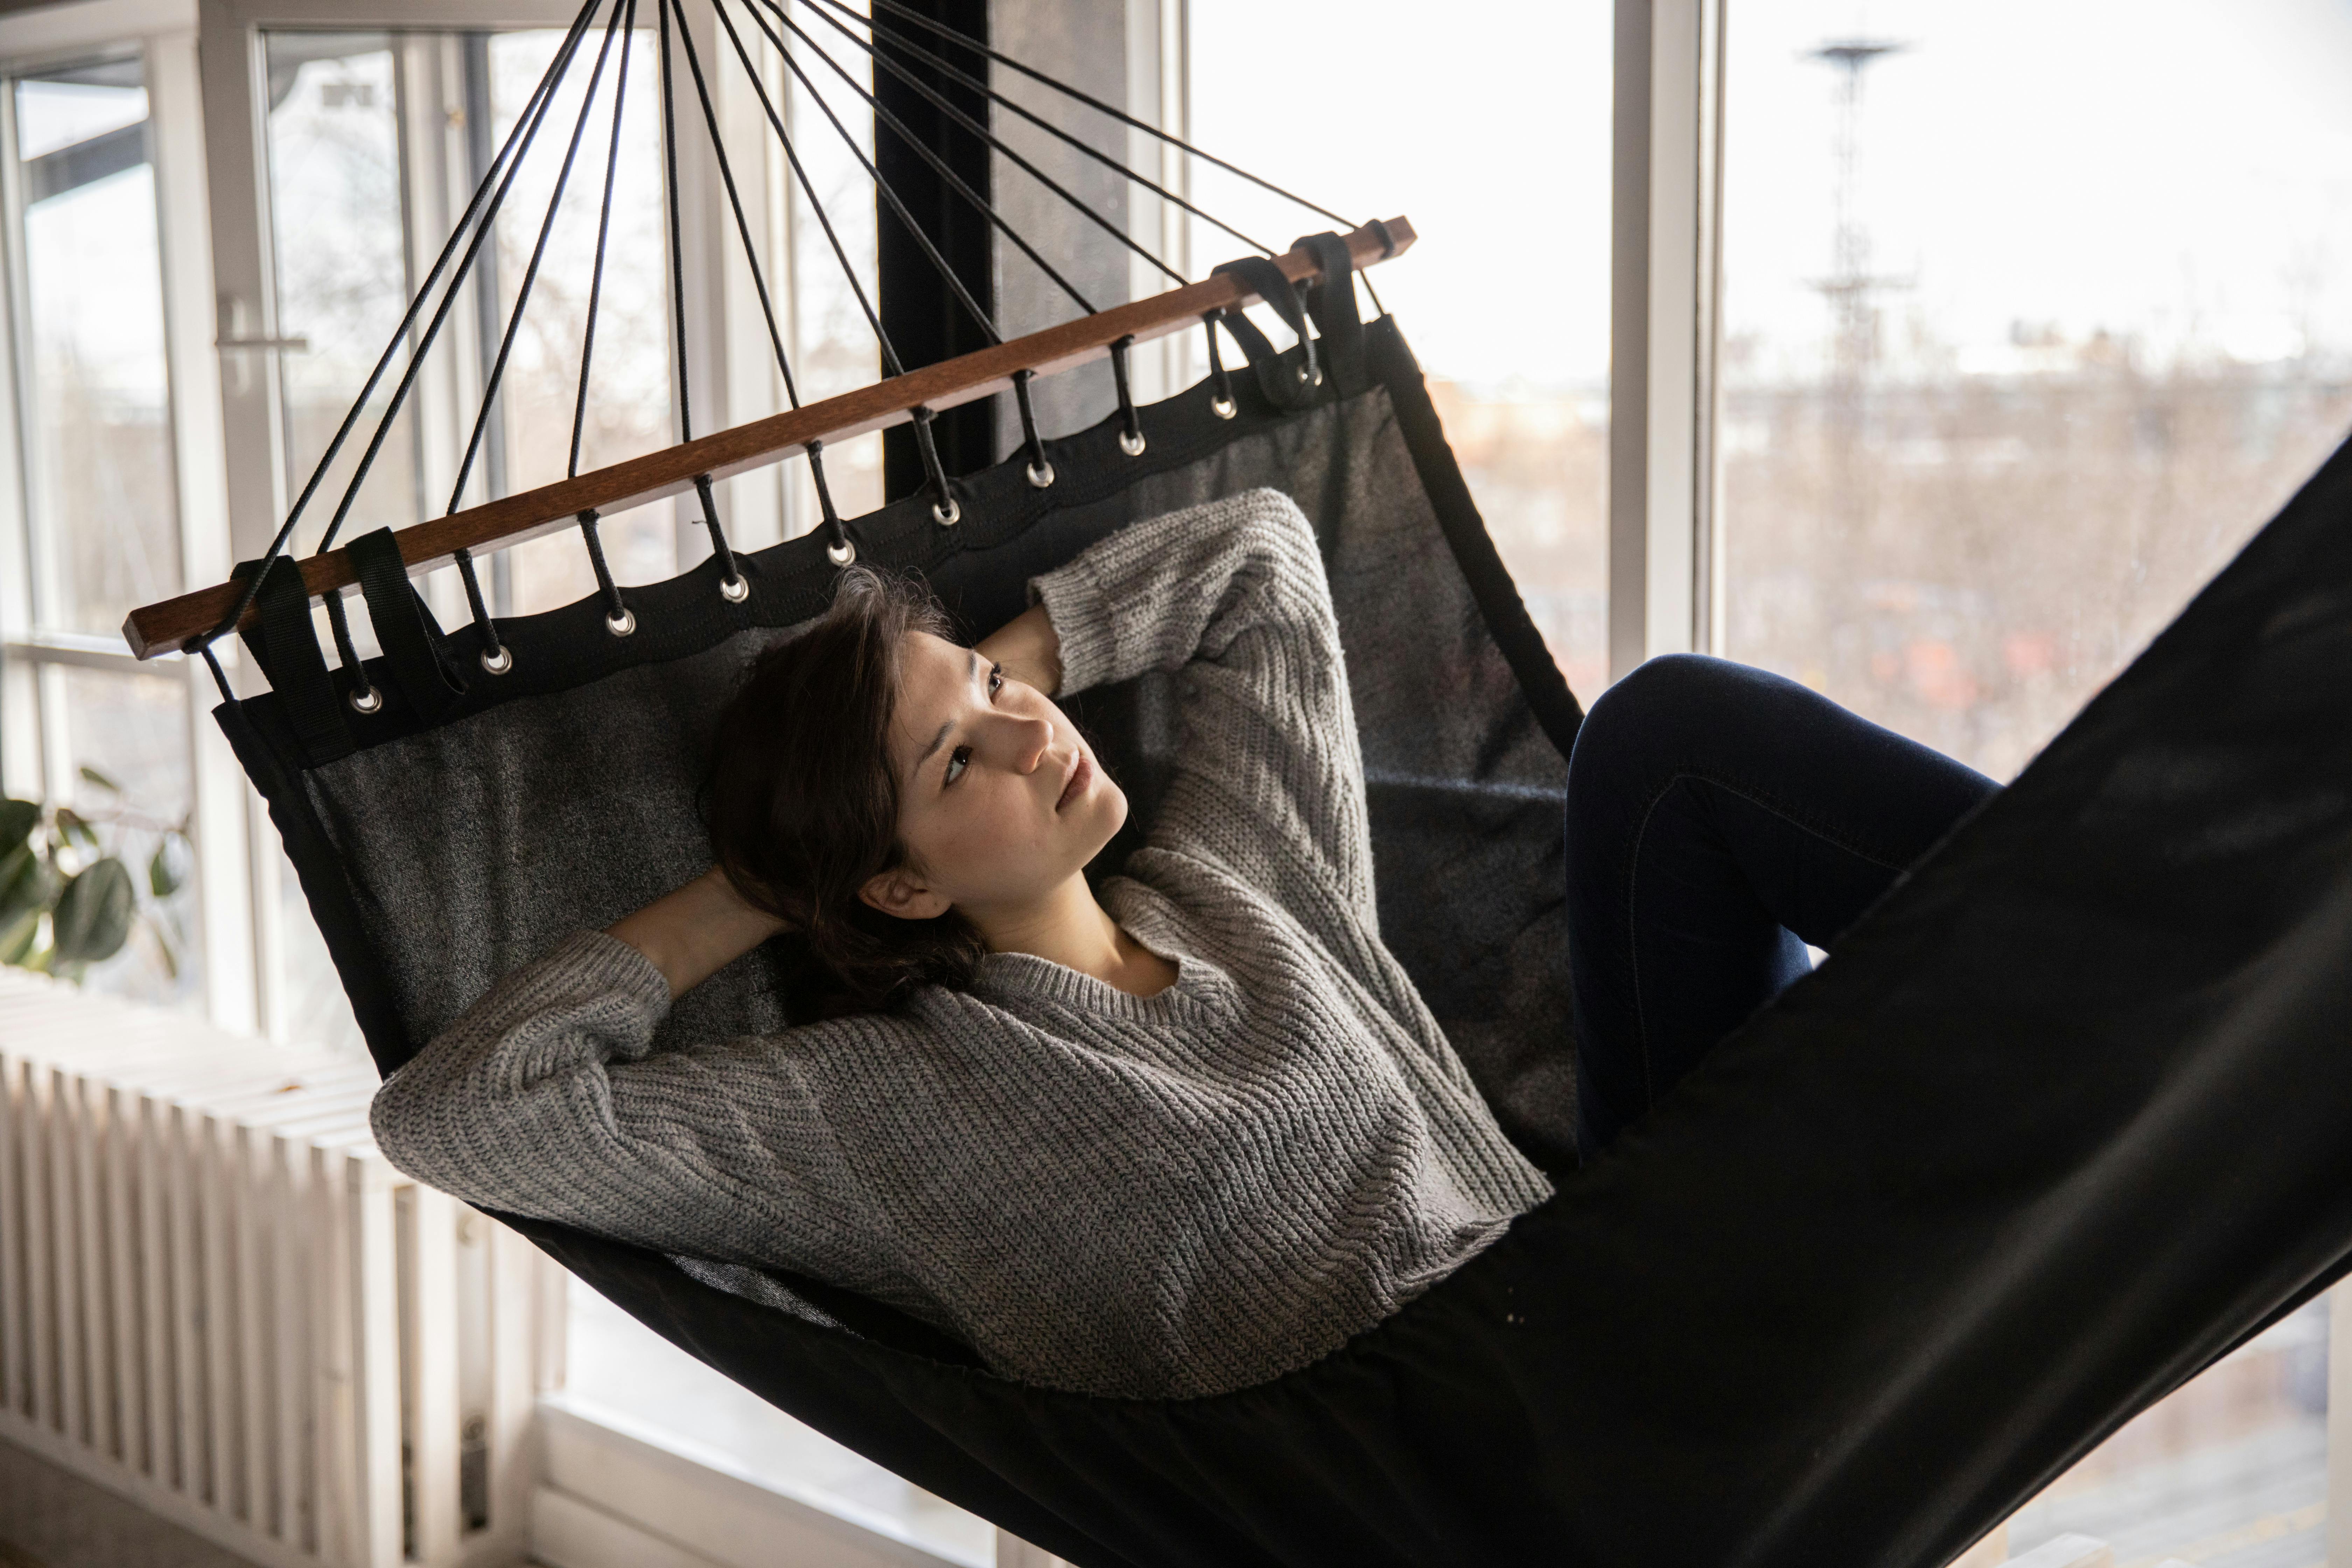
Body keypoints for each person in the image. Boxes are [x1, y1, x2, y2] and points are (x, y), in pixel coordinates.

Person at [369, 485, 1996, 1399]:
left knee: (1670, 740)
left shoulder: (1240, 869)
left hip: (1636, 1277)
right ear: (902, 890)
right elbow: (462, 1116)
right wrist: (762, 884)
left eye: (1003, 700)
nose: (1029, 740)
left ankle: (2124, 934)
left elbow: (1265, 560)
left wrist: (967, 677)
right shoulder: (873, 1110)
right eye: (959, 768)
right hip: (1521, 1449)